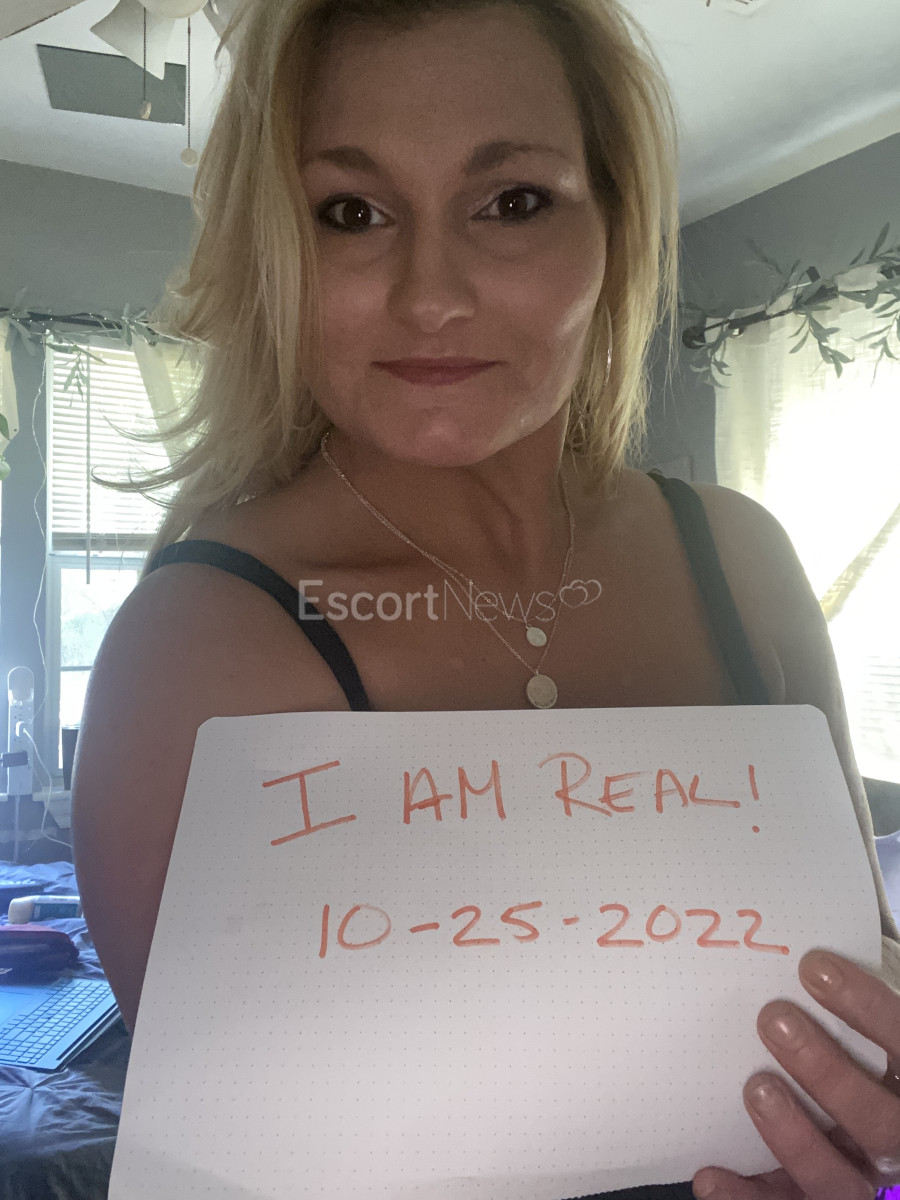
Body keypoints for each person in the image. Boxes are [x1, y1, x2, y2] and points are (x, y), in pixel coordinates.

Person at [70, 1, 900, 1197]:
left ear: (614, 224)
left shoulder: (742, 561)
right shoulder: (197, 647)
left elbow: (853, 989)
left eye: (513, 201)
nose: (431, 296)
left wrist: (873, 1134)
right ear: (276, 253)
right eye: (351, 212)